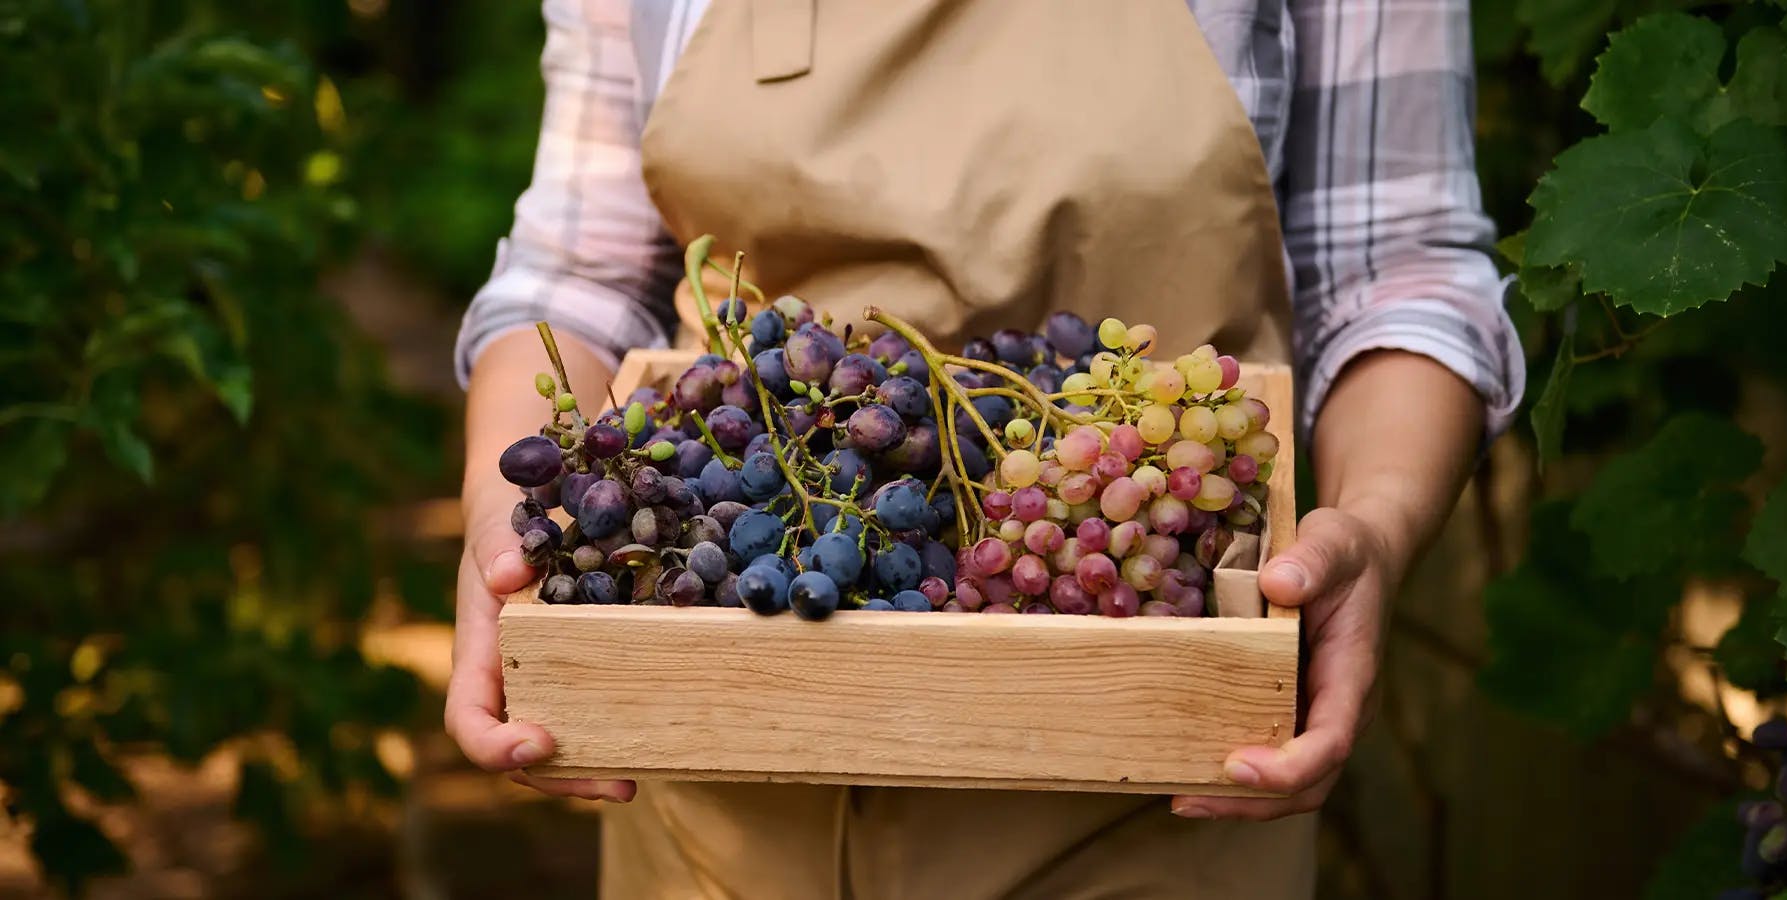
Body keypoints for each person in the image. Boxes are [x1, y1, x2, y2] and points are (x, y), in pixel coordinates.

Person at [448, 0, 1524, 896]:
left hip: (1160, 799)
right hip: (704, 797)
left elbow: (1402, 270)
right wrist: (506, 528)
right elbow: (580, 277)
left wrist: (1375, 525)